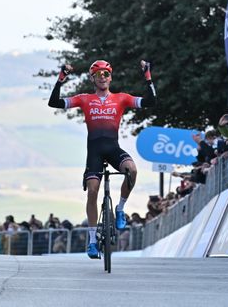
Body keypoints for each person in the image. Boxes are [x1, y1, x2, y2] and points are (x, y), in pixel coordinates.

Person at [48, 59, 156, 259]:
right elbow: (54, 103)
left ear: (110, 77)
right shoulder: (84, 99)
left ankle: (120, 208)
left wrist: (148, 77)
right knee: (93, 191)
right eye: (99, 74)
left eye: (106, 74)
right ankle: (91, 242)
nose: (103, 77)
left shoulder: (121, 98)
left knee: (132, 170)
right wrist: (61, 79)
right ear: (93, 79)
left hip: (113, 149)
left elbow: (150, 102)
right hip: (95, 152)